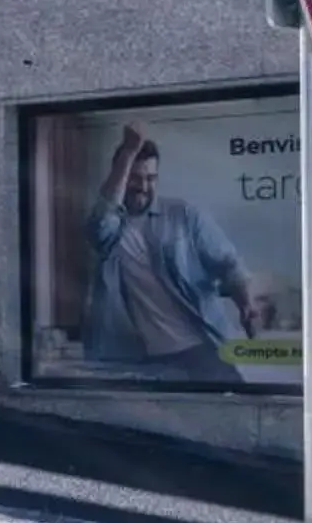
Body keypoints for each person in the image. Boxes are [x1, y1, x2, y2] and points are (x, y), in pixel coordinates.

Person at [84, 122, 264, 378]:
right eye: (135, 178)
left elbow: (228, 264)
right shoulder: (111, 231)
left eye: (150, 178)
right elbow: (100, 223)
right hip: (139, 359)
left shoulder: (185, 216)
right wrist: (127, 153)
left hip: (202, 348)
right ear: (121, 176)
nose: (143, 186)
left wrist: (247, 304)